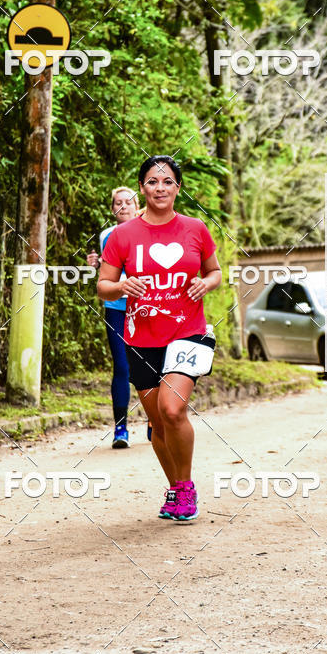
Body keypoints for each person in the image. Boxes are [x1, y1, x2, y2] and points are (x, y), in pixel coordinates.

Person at [97, 156, 222, 521]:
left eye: (167, 182)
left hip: (188, 334)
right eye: (153, 182)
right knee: (156, 424)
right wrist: (120, 285)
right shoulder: (122, 236)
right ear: (142, 188)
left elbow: (214, 272)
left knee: (172, 409)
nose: (160, 188)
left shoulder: (195, 229)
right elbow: (103, 286)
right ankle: (175, 487)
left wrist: (206, 282)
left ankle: (185, 489)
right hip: (142, 338)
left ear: (178, 188)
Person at [87, 186, 140, 448]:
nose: (123, 206)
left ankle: (156, 421)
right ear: (112, 209)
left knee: (154, 367)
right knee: (122, 366)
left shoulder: (151, 230)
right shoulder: (107, 235)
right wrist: (96, 265)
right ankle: (121, 429)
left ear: (137, 205)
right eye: (118, 203)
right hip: (117, 308)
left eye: (128, 202)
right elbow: (111, 268)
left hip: (149, 308)